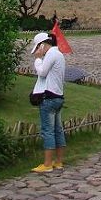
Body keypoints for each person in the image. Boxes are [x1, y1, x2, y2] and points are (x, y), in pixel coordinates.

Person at [29, 32, 67, 173]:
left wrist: (38, 60)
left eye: (38, 49)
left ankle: (47, 164)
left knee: (48, 131)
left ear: (43, 45)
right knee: (58, 130)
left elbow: (42, 72)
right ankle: (58, 161)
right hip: (58, 96)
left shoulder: (51, 54)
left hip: (49, 98)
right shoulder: (59, 54)